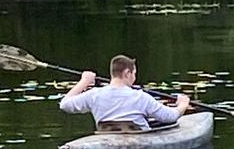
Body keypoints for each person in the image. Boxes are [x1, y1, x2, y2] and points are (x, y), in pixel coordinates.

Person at [58, 54, 190, 132]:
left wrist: (84, 81)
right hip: (139, 141)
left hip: (107, 138)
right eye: (134, 74)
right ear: (127, 73)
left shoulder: (95, 95)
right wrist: (182, 105)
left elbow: (64, 104)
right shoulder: (140, 97)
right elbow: (170, 116)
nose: (134, 78)